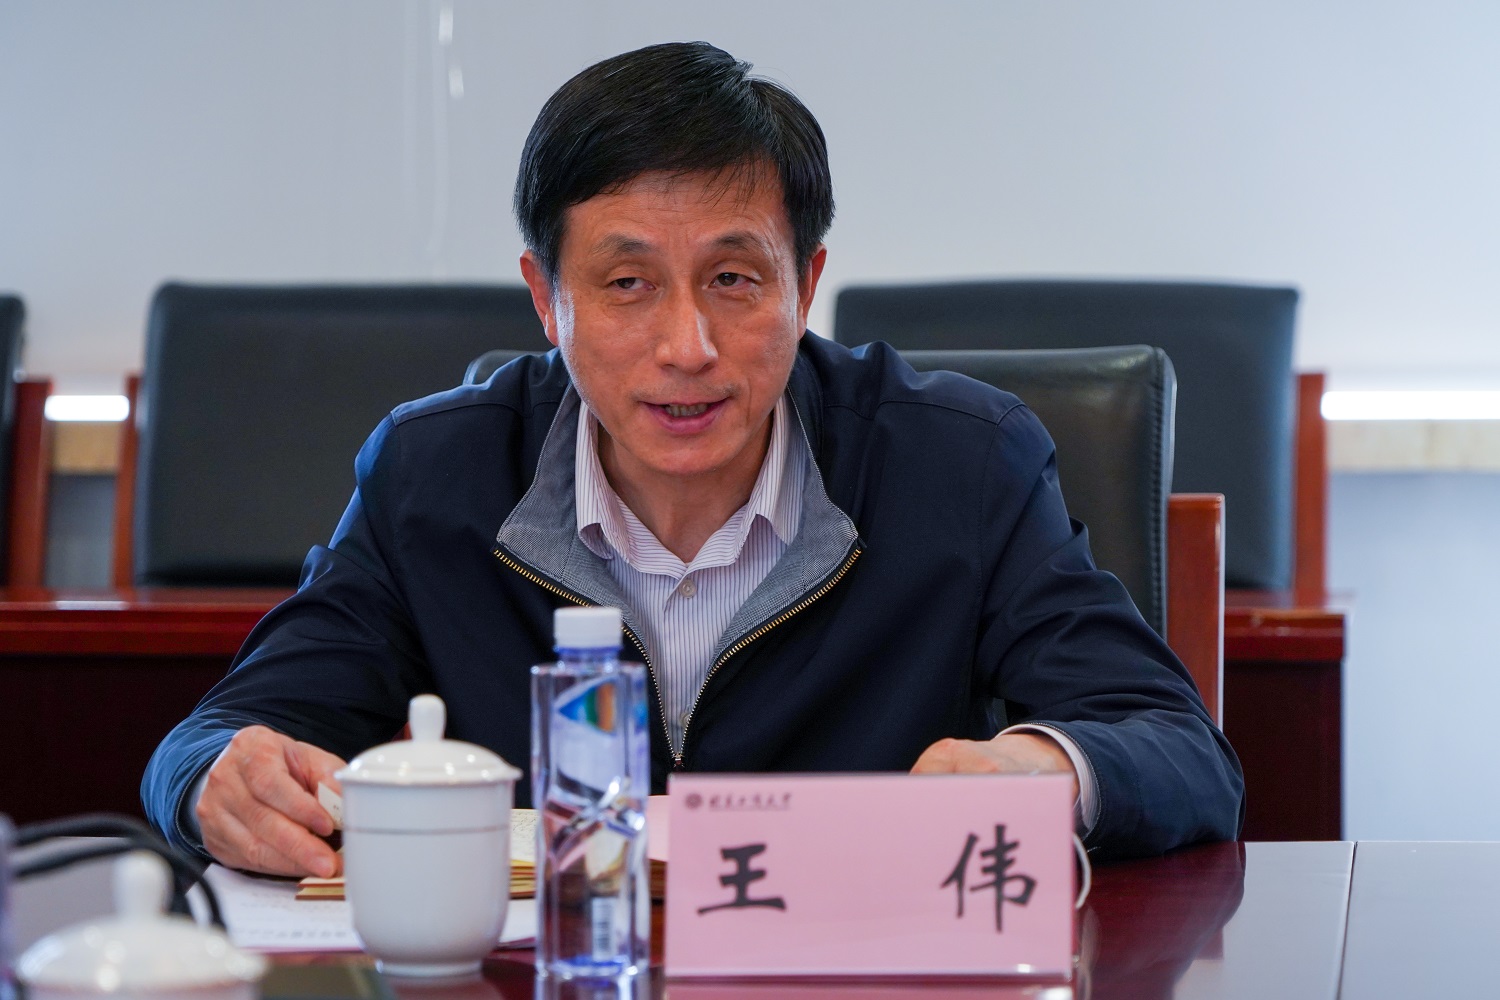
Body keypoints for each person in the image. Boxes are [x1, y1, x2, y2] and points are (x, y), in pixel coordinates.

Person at [143, 41, 1243, 877]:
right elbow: (217, 735)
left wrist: (1046, 770)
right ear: (546, 300)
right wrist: (214, 782)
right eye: (627, 284)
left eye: (733, 279)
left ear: (806, 286)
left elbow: (1180, 750)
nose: (687, 346)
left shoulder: (961, 463)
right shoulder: (436, 472)